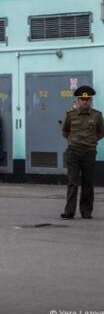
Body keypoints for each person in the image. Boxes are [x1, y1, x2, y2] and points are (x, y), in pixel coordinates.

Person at [60, 86, 104, 219]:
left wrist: (90, 141)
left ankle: (86, 211)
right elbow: (65, 132)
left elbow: (101, 132)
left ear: (90, 100)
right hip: (73, 152)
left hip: (89, 152)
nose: (85, 102)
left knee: (88, 182)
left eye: (87, 99)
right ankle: (69, 211)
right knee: (72, 182)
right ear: (78, 100)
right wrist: (75, 141)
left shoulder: (97, 116)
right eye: (82, 99)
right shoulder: (70, 115)